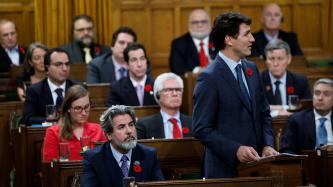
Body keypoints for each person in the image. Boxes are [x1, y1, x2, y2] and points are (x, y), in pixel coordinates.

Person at [192, 12, 278, 178]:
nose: (252, 39)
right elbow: (202, 129)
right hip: (224, 171)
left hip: (257, 166)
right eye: (246, 34)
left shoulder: (251, 69)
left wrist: (267, 144)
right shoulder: (209, 77)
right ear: (229, 40)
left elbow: (264, 113)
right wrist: (235, 150)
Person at [81, 105, 164, 186]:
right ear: (109, 135)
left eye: (131, 125)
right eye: (121, 127)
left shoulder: (149, 155)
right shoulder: (93, 158)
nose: (129, 131)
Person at [43, 85, 106, 162]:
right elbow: (50, 165)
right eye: (78, 108)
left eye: (86, 107)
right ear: (68, 108)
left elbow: (105, 160)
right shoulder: (53, 132)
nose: (83, 113)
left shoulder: (98, 130)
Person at [22, 48, 75, 125]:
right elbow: (28, 118)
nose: (64, 68)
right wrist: (51, 121)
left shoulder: (77, 88)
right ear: (47, 68)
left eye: (67, 64)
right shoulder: (34, 90)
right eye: (58, 64)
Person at [280, 78, 333, 154]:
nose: (320, 98)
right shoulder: (297, 120)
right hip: (307, 164)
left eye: (326, 94)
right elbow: (287, 150)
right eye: (317, 93)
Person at [261, 39, 311, 117]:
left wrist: (273, 108)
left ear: (289, 59)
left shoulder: (300, 81)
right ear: (266, 60)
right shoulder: (258, 80)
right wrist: (278, 111)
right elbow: (256, 108)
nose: (275, 64)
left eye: (280, 59)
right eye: (271, 59)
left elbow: (307, 109)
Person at [136, 72, 192, 139]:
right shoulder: (144, 125)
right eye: (169, 90)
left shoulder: (194, 123)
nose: (175, 93)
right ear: (158, 95)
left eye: (178, 90)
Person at [169, 9, 218, 75]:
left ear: (210, 23)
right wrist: (197, 70)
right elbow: (176, 68)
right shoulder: (179, 43)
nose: (200, 25)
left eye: (203, 21)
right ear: (189, 24)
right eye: (195, 22)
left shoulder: (219, 40)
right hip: (191, 83)